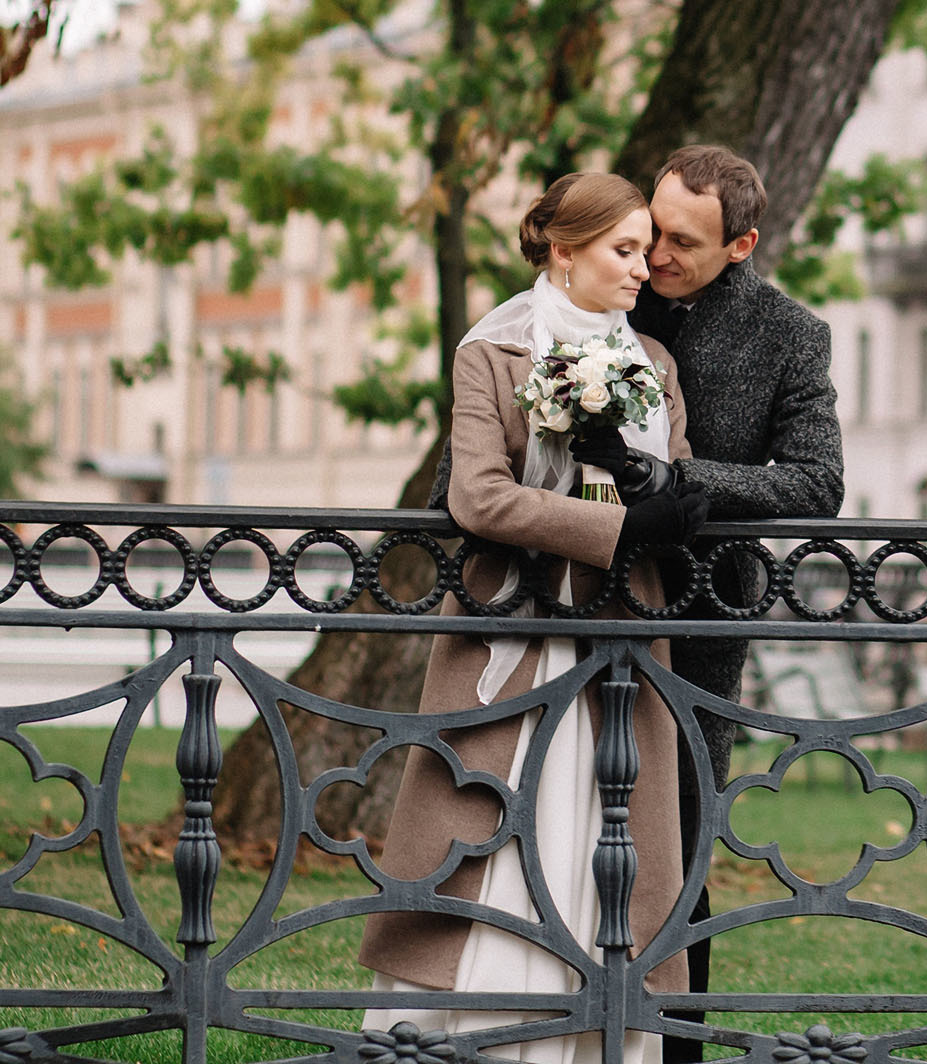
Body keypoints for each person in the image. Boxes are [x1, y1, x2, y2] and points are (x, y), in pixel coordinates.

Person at [359, 172, 711, 1064]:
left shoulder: (655, 362)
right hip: (514, 627)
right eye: (623, 250)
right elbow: (478, 495)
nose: (643, 269)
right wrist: (615, 526)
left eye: (646, 251)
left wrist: (660, 490)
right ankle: (482, 1030)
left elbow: (677, 477)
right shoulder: (491, 352)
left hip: (624, 639)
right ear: (563, 250)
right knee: (499, 820)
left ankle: (597, 1035)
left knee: (611, 827)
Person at [570, 143, 843, 1063]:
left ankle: (674, 1049)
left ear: (741, 245)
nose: (656, 256)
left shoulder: (789, 332)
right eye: (654, 230)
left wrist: (682, 480)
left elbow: (817, 481)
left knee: (679, 843)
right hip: (575, 599)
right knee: (558, 820)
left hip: (700, 616)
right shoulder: (604, 286)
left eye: (683, 242)